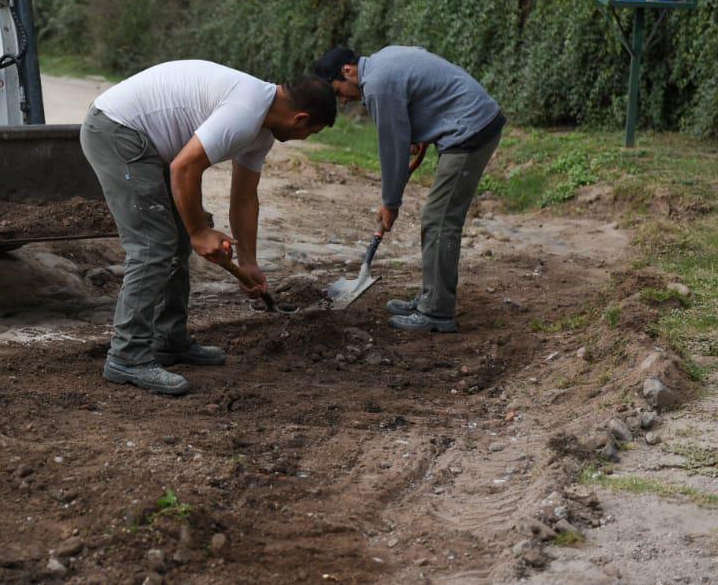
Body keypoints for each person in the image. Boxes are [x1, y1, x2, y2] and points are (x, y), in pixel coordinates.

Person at [80, 62, 338, 395]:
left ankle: (168, 340)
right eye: (310, 133)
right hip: (117, 131)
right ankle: (127, 355)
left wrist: (248, 262)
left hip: (143, 139)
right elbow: (184, 169)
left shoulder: (262, 127)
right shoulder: (245, 112)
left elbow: (244, 197)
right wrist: (200, 231)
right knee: (152, 247)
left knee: (173, 246)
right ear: (300, 119)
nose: (304, 139)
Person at [314, 46, 505, 334]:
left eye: (338, 91)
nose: (341, 100)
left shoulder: (377, 85)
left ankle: (437, 312)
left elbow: (392, 151)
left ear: (347, 70)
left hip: (470, 130)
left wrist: (390, 203)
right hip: (471, 122)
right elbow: (425, 92)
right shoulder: (383, 62)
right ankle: (432, 298)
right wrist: (419, 132)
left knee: (438, 219)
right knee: (437, 217)